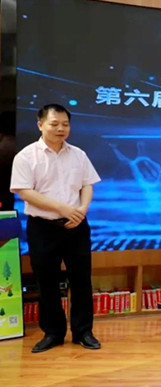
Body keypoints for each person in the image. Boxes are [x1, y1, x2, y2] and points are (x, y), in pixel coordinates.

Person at [10, 103, 101, 353]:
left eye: (65, 124)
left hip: (76, 226)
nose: (61, 128)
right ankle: (53, 333)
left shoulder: (78, 154)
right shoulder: (26, 156)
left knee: (81, 280)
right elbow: (24, 192)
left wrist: (81, 210)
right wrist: (62, 209)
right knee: (47, 282)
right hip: (43, 227)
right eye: (54, 124)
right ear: (40, 125)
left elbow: (88, 184)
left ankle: (83, 332)